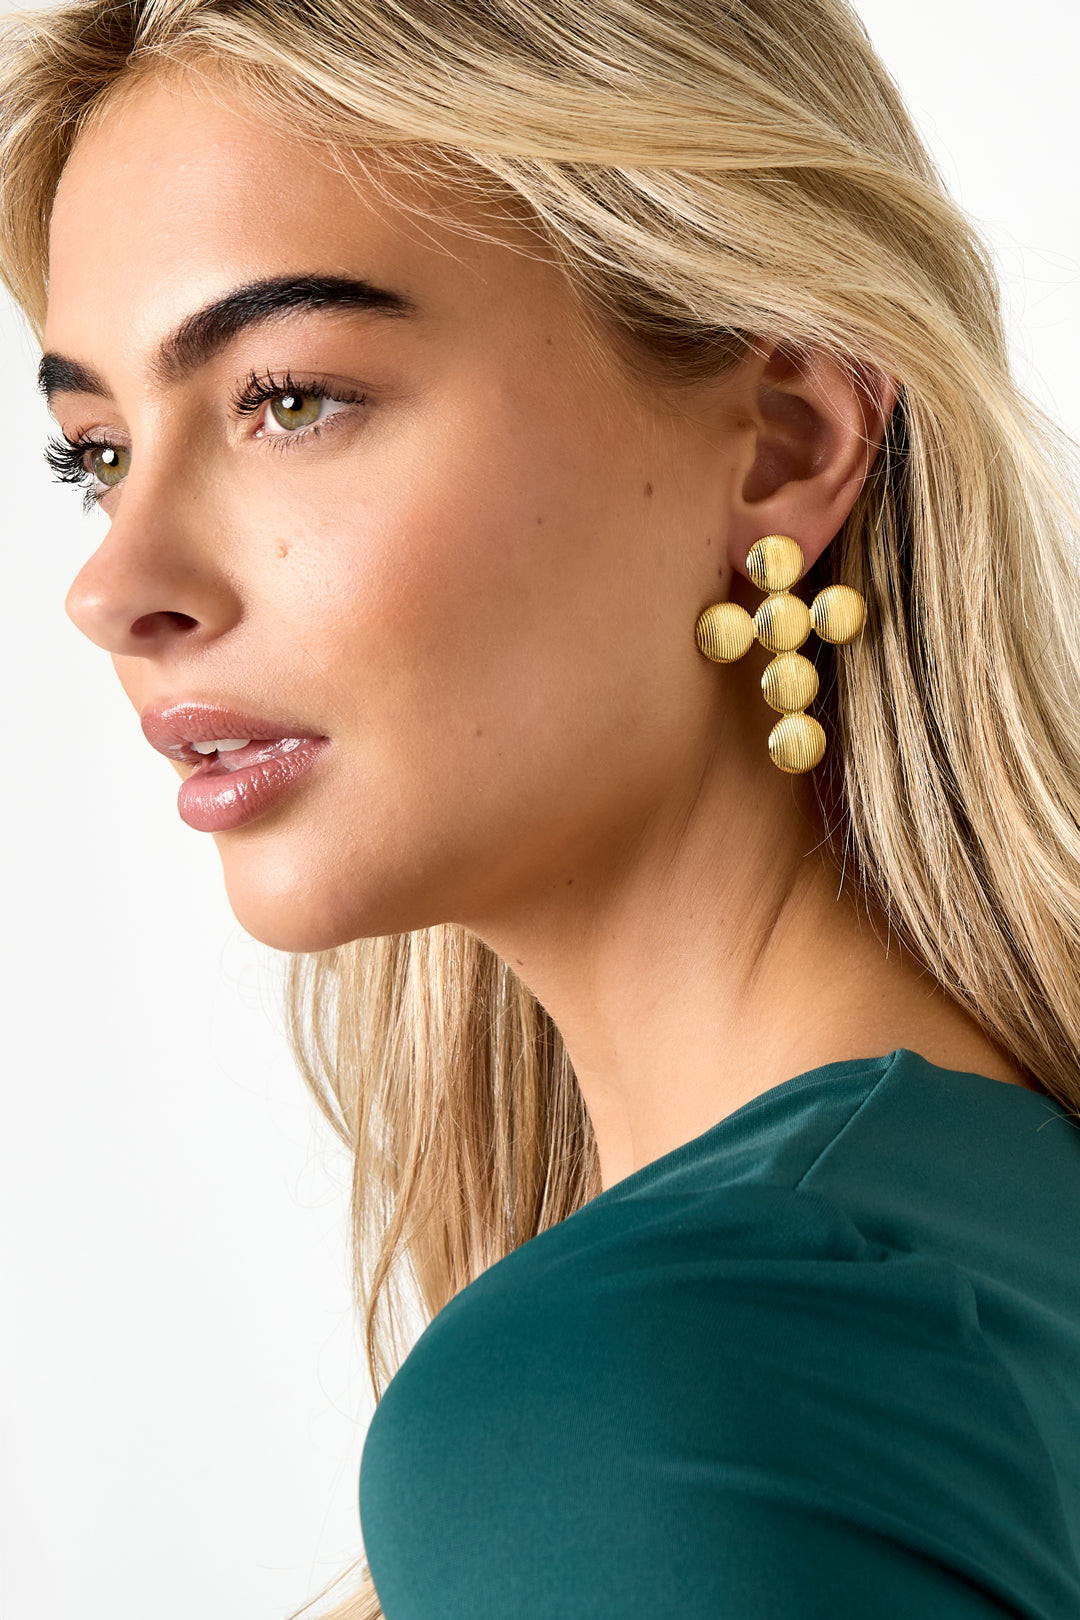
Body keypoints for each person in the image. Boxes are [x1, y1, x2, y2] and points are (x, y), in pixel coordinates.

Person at [3, 0, 1080, 1614]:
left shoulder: (643, 1386)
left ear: (784, 444)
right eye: (92, 450)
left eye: (290, 398)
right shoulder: (976, 1246)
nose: (117, 584)